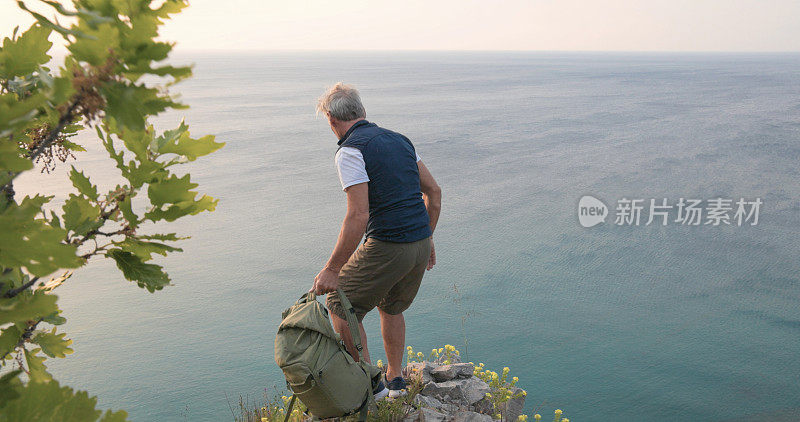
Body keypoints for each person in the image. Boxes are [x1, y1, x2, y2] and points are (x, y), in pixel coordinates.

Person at [310, 83, 441, 399]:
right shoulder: (401, 141)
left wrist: (332, 269)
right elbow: (434, 193)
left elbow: (358, 216)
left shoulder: (351, 150)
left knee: (340, 305)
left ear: (331, 120)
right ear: (362, 111)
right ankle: (396, 380)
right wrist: (428, 236)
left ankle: (372, 386)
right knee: (392, 307)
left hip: (388, 245)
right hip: (419, 242)